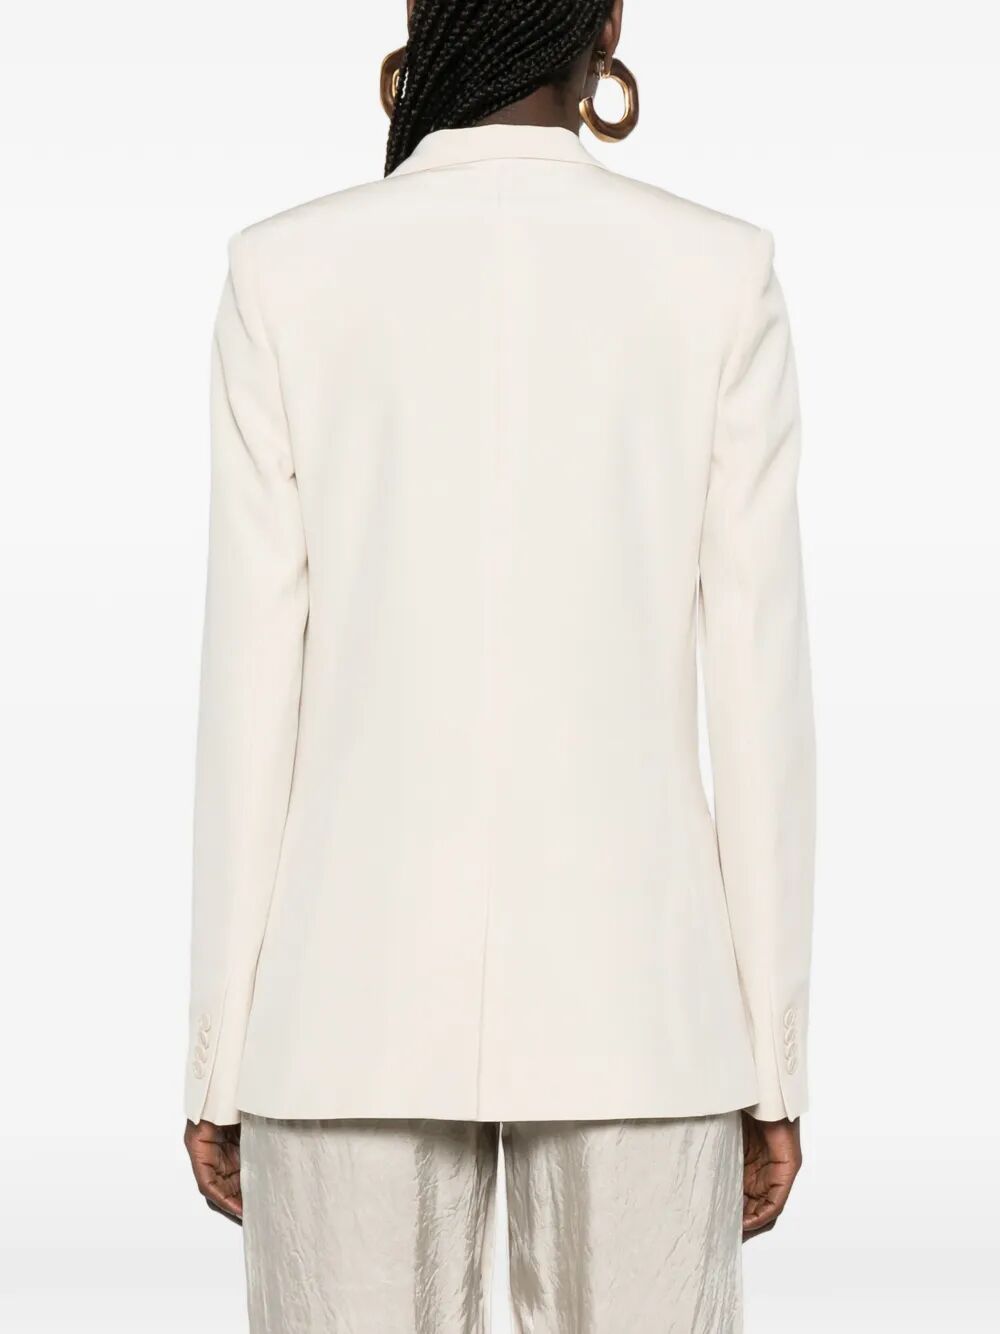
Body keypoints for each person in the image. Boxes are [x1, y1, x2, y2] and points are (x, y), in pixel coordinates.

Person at [183, 1, 815, 1329]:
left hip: (344, 1006)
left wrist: (219, 1055)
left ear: (423, 21)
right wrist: (772, 1059)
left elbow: (250, 697)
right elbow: (760, 703)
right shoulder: (719, 274)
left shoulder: (284, 273)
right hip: (644, 1009)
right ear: (608, 24)